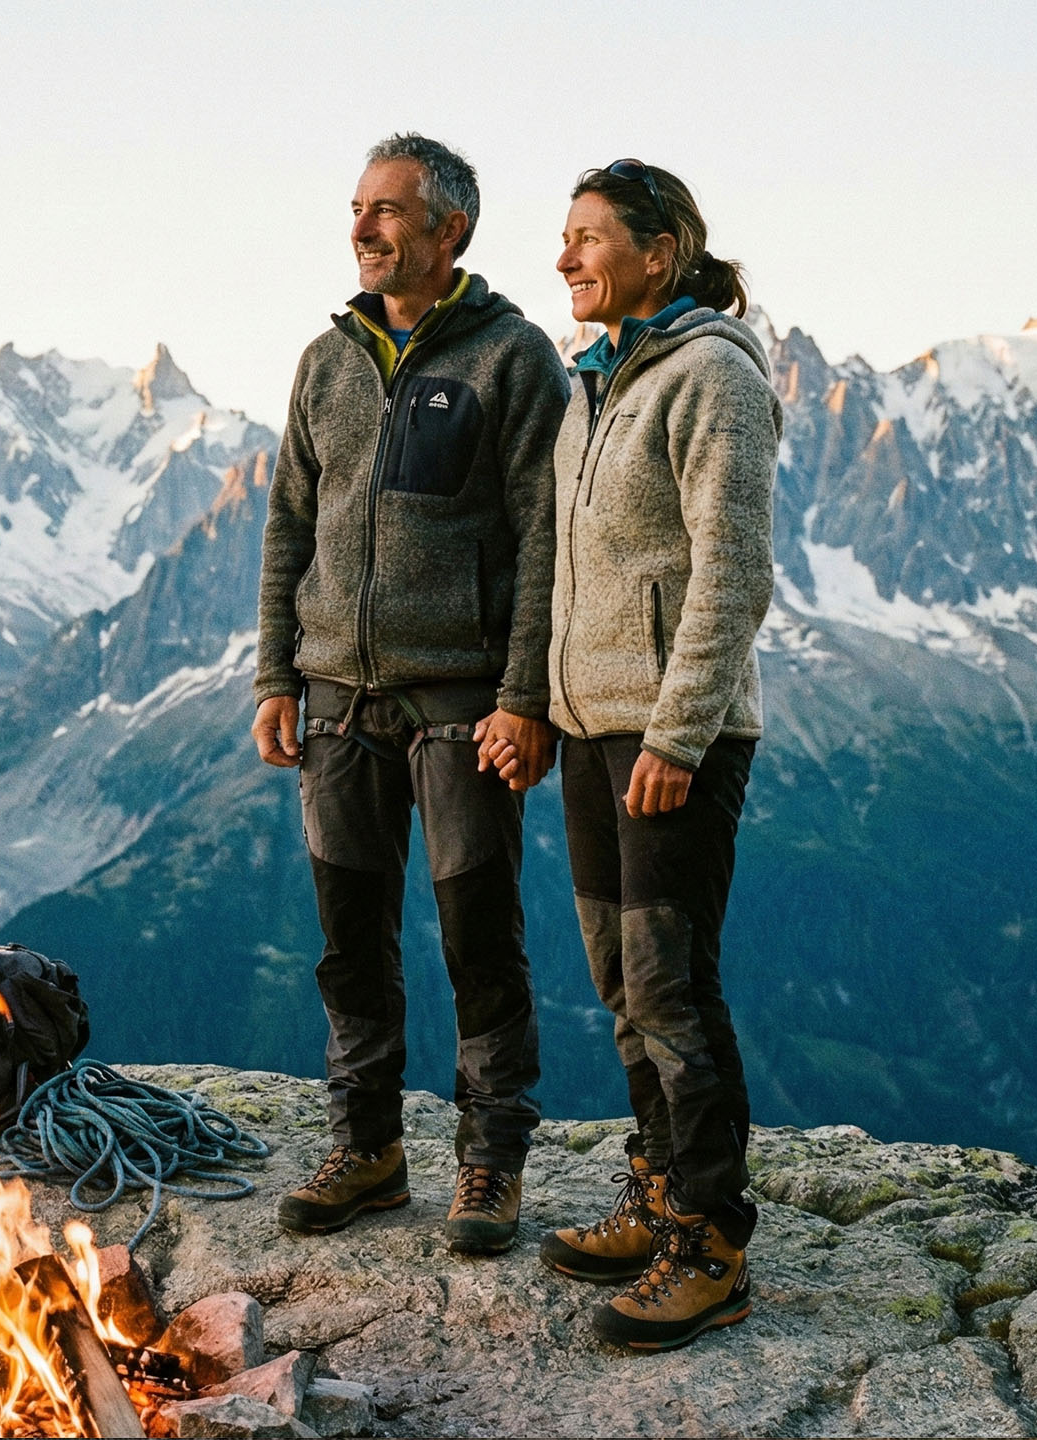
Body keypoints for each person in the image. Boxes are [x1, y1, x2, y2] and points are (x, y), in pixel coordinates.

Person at [252, 133, 567, 1256]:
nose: (363, 228)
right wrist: (276, 674)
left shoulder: (514, 358)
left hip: (462, 701)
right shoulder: (323, 361)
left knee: (479, 934)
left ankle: (490, 1162)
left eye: (388, 211)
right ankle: (368, 1146)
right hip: (337, 695)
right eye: (356, 207)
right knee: (349, 937)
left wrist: (525, 694)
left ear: (450, 232)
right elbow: (290, 520)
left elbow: (544, 538)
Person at [488, 159, 778, 1349]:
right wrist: (544, 705)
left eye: (589, 238)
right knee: (619, 983)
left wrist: (678, 729)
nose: (564, 258)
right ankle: (658, 1193)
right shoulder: (594, 386)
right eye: (561, 238)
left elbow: (731, 570)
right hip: (598, 727)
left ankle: (709, 1241)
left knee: (670, 985)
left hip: (671, 738)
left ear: (660, 253)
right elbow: (562, 565)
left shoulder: (710, 376)